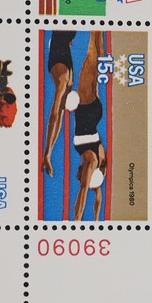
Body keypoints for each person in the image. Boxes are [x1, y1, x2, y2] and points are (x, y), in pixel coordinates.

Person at [41, 30, 109, 221]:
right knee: (95, 59)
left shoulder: (92, 163)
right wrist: (96, 219)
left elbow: (55, 116)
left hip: (86, 119)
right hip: (91, 116)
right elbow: (97, 198)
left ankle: (96, 31)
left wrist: (47, 153)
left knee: (92, 60)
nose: (80, 174)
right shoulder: (99, 168)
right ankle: (97, 30)